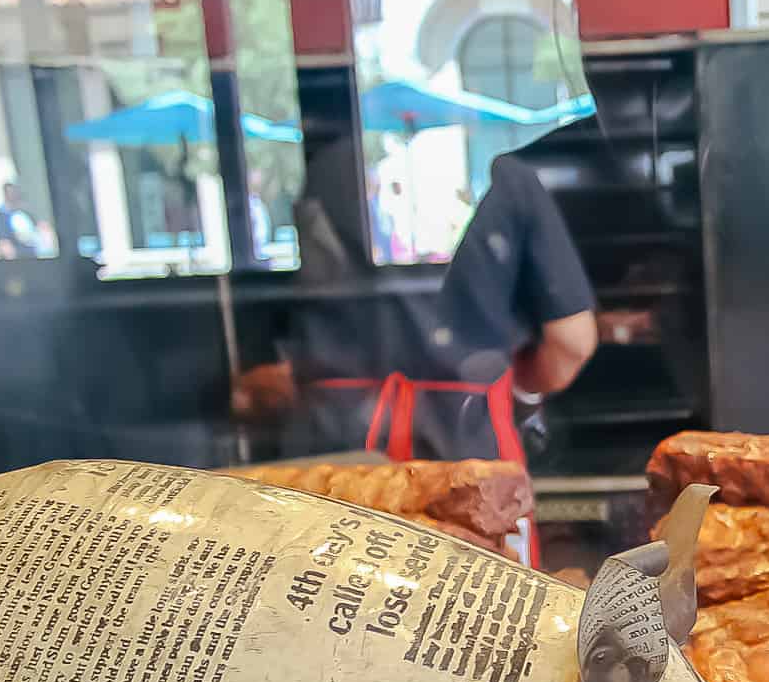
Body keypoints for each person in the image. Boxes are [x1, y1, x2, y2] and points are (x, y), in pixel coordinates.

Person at [232, 140, 599, 466]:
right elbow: (572, 341)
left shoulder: (328, 167)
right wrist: (521, 392)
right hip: (464, 455)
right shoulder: (501, 173)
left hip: (334, 454)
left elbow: (256, 381)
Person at [0, 182, 43, 260]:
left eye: (14, 192)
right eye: (10, 193)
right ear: (6, 195)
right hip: (18, 262)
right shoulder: (1, 217)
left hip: (34, 258)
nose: (14, 196)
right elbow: (4, 245)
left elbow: (39, 231)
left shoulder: (25, 214)